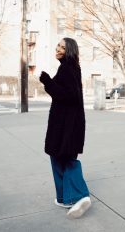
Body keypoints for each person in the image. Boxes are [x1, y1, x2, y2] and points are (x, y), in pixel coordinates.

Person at [39, 37, 91, 219]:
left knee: (66, 159)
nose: (58, 48)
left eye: (62, 47)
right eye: (58, 45)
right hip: (67, 124)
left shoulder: (68, 68)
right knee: (60, 157)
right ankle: (64, 198)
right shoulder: (69, 68)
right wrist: (49, 83)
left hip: (66, 126)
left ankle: (80, 195)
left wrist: (47, 81)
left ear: (70, 50)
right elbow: (60, 92)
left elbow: (67, 95)